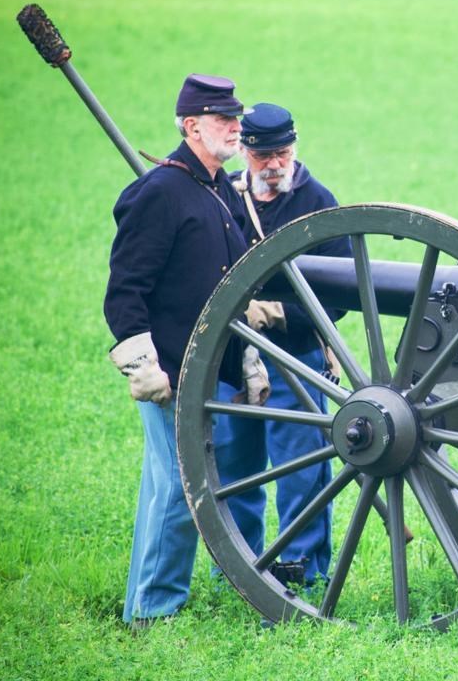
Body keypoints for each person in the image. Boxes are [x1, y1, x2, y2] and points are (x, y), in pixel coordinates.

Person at [104, 73, 269, 628]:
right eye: (223, 120)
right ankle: (151, 612)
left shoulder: (219, 189)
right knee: (179, 490)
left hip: (208, 364)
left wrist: (245, 352)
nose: (235, 128)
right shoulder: (158, 193)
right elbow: (125, 290)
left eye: (235, 119)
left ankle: (147, 606)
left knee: (171, 486)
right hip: (172, 369)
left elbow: (230, 285)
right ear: (190, 125)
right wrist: (144, 366)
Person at [214, 102, 351, 588]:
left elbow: (340, 297)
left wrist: (274, 314)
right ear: (245, 153)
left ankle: (302, 576)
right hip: (231, 359)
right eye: (263, 155)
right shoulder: (225, 199)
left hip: (297, 359)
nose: (274, 164)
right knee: (232, 470)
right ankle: (235, 572)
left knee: (301, 475)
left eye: (283, 153)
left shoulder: (318, 202)